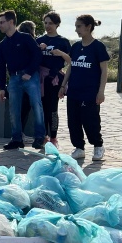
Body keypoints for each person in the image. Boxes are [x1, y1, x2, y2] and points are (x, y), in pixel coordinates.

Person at [60, 14, 109, 161]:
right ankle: (79, 147)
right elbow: (71, 66)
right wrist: (63, 85)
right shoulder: (75, 46)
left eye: (79, 26)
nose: (77, 30)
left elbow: (104, 71)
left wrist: (101, 91)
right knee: (73, 121)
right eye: (76, 27)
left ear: (88, 27)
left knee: (90, 120)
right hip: (74, 90)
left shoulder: (98, 47)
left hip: (90, 92)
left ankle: (98, 146)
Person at [0, 9, 46, 150]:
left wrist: (30, 72)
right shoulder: (2, 45)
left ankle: (39, 137)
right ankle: (17, 139)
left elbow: (37, 55)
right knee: (14, 109)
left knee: (36, 105)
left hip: (30, 76)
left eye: (2, 22)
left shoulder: (25, 38)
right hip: (13, 78)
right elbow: (1, 66)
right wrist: (1, 88)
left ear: (11, 22)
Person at [36, 11, 72, 149]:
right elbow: (32, 59)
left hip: (54, 79)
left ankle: (53, 137)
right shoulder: (39, 40)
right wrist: (39, 50)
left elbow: (71, 61)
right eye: (45, 23)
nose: (47, 26)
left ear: (57, 24)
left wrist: (60, 53)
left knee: (53, 108)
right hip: (40, 79)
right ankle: (43, 136)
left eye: (50, 23)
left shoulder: (63, 41)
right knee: (42, 109)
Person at [16, 20, 37, 136]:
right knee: (26, 107)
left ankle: (19, 132)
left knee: (20, 108)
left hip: (17, 77)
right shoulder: (31, 42)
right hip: (29, 77)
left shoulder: (17, 41)